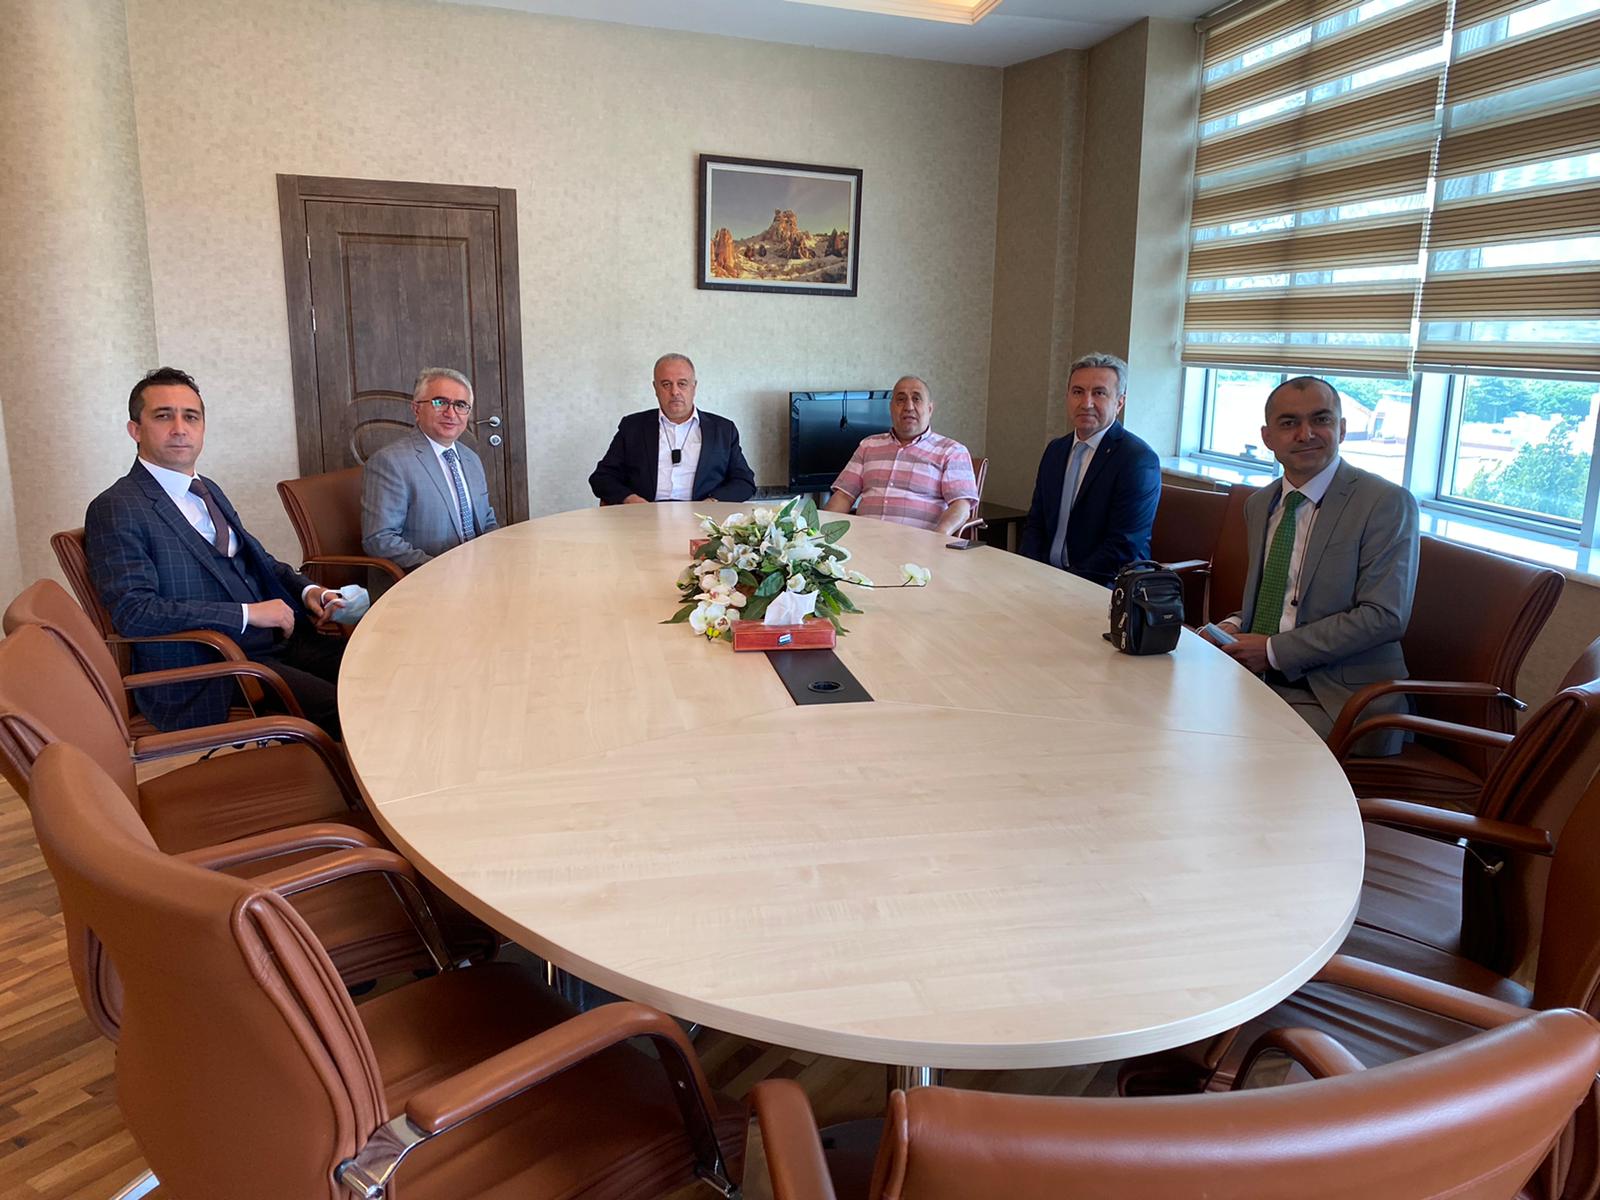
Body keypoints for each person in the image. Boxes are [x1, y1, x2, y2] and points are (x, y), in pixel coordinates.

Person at [85, 367, 347, 737]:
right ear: (135, 430)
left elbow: (259, 560)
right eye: (163, 416)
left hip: (277, 642)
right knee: (345, 707)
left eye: (191, 417)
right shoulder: (117, 507)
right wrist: (247, 614)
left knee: (379, 669)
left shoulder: (207, 489)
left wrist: (310, 591)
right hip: (213, 667)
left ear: (203, 428)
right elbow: (135, 612)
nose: (180, 428)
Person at [1203, 376, 1420, 756]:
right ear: (1268, 437)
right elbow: (1282, 598)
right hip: (1263, 681)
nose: (1306, 434)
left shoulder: (1385, 503)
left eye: (1321, 420)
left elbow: (1384, 617)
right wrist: (1234, 625)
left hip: (1342, 698)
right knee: (1160, 706)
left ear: (1342, 429)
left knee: (1223, 743)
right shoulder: (1260, 504)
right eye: (1289, 423)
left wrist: (1273, 650)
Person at [1019, 352, 1161, 586]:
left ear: (1119, 402)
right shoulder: (1055, 450)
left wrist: (1065, 585)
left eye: (1099, 393)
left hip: (1106, 586)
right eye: (1078, 392)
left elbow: (1122, 545)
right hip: (1047, 580)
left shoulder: (1137, 460)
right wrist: (1030, 571)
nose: (1086, 403)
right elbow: (1036, 523)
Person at [361, 366, 498, 571]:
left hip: (477, 572)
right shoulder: (390, 462)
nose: (451, 413)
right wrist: (441, 570)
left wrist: (497, 556)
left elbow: (487, 521)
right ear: (416, 409)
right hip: (423, 578)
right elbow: (380, 540)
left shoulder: (471, 459)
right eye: (440, 402)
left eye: (460, 405)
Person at [588, 354, 756, 505]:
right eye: (666, 384)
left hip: (701, 518)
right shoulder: (632, 427)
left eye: (682, 384)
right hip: (645, 517)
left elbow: (744, 482)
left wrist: (712, 503)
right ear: (655, 388)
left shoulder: (723, 430)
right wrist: (631, 500)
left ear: (694, 387)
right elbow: (602, 477)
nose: (674, 391)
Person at [822, 375, 978, 534]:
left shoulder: (952, 451)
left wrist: (938, 538)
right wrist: (818, 533)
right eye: (901, 400)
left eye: (916, 399)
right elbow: (844, 497)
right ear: (891, 408)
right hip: (865, 540)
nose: (908, 407)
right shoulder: (868, 445)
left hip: (917, 544)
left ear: (930, 409)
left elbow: (961, 506)